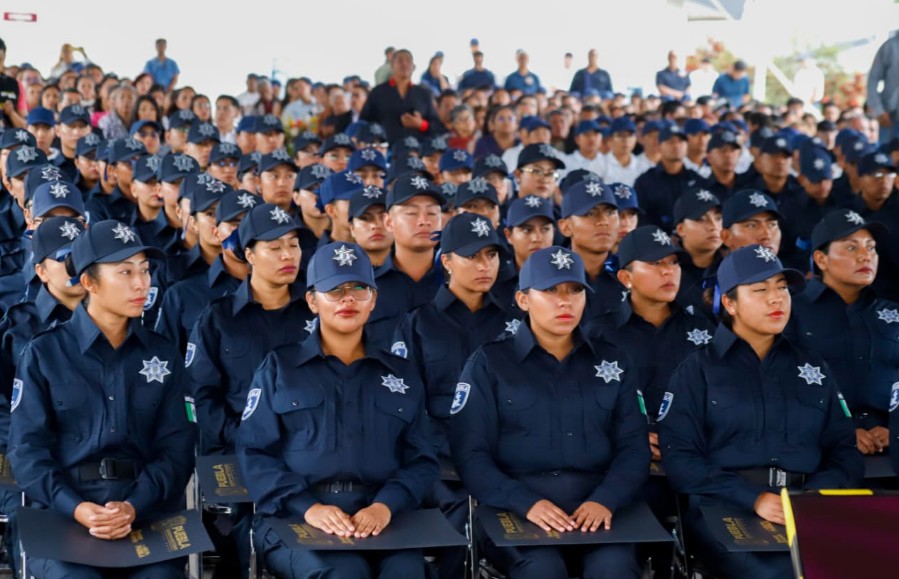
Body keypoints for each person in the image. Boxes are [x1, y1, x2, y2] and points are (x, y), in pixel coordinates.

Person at [658, 244, 862, 579]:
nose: (776, 299)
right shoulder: (697, 371)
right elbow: (681, 461)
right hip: (727, 506)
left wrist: (812, 497)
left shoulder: (812, 366)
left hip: (806, 504)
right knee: (782, 573)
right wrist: (752, 498)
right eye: (760, 290)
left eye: (782, 288)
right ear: (729, 303)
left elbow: (844, 451)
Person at [237, 240, 438, 578]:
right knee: (345, 573)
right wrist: (309, 508)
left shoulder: (400, 374)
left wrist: (385, 506)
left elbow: (421, 460)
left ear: (373, 300)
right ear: (313, 301)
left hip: (381, 516)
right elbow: (254, 454)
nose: (348, 299)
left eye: (359, 289)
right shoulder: (279, 369)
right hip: (298, 516)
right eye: (335, 290)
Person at [8, 220, 197, 578]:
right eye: (125, 272)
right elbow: (27, 451)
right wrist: (77, 508)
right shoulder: (45, 354)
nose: (142, 283)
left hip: (145, 514)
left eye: (145, 270)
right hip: (64, 515)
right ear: (89, 282)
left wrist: (132, 506)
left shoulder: (164, 354)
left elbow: (177, 448)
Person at [449, 245, 650, 579]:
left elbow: (634, 447)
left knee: (613, 568)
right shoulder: (490, 363)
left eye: (575, 291)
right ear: (523, 300)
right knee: (542, 570)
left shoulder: (614, 360)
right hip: (517, 506)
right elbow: (470, 454)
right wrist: (525, 502)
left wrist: (606, 499)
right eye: (550, 291)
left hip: (599, 505)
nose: (565, 301)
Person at [187, 202, 314, 578]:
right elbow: (201, 398)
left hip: (312, 452)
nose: (288, 255)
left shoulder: (317, 311)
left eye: (293, 244)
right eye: (275, 247)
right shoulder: (218, 318)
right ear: (249, 254)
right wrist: (247, 437)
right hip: (240, 454)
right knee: (243, 539)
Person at [786, 210, 898, 457]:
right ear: (821, 259)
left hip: (892, 452)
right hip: (820, 453)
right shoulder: (790, 312)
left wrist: (896, 430)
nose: (865, 256)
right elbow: (779, 388)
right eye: (851, 248)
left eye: (871, 247)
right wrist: (839, 431)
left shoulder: (894, 314)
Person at [361, 49, 440, 144]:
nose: (404, 64)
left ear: (413, 67)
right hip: (386, 150)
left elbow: (436, 125)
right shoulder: (378, 92)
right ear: (391, 66)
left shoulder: (424, 94)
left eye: (408, 61)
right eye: (400, 61)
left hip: (417, 151)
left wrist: (421, 124)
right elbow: (364, 122)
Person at [866, 31, 899, 143]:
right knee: (888, 158)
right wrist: (878, 110)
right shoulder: (890, 46)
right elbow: (873, 80)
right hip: (890, 117)